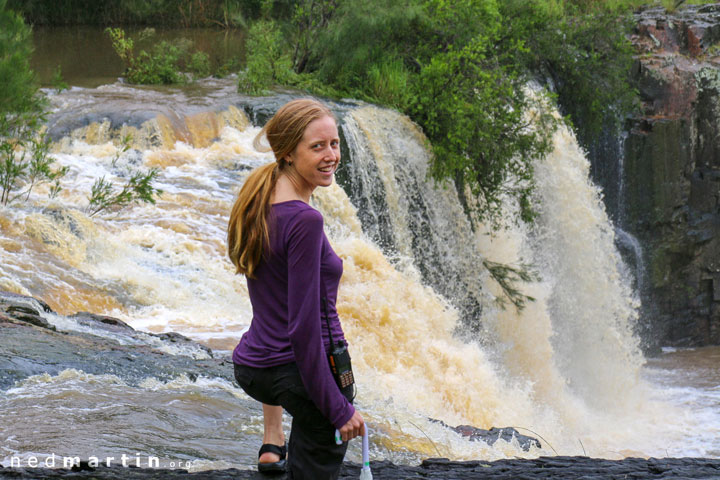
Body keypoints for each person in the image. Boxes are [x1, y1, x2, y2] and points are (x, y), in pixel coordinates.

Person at [228, 98, 364, 480]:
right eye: (317, 147)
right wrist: (338, 409)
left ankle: (273, 438)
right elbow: (304, 330)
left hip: (255, 365)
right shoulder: (305, 220)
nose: (330, 156)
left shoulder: (260, 200)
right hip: (308, 373)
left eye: (334, 144)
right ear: (288, 153)